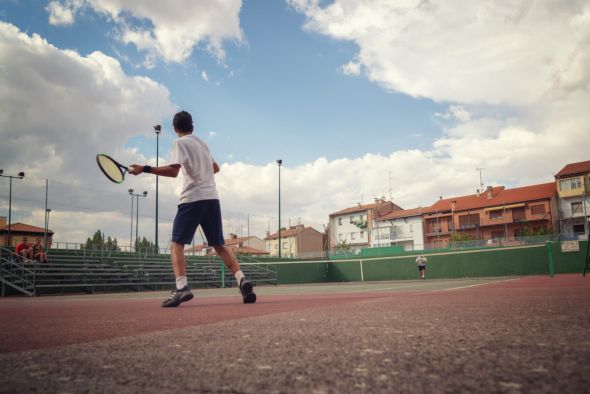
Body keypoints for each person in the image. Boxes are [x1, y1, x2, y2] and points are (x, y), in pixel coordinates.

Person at [129, 110, 256, 307]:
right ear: (192, 126)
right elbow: (215, 168)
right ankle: (241, 279)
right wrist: (202, 173)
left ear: (175, 128)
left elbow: (173, 171)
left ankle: (182, 287)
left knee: (176, 245)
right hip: (212, 199)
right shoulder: (202, 143)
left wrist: (144, 168)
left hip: (192, 199)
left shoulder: (180, 143)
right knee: (219, 244)